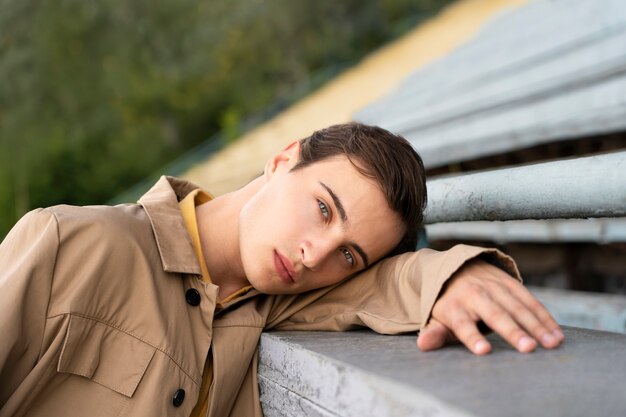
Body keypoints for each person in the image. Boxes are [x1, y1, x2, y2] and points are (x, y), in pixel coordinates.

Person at [0, 123, 563, 417]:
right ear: (283, 158)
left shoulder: (283, 301)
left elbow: (388, 281)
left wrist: (456, 276)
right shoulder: (72, 242)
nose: (314, 255)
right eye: (323, 209)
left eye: (348, 254)